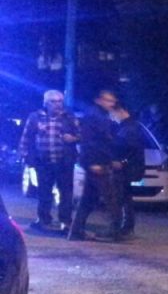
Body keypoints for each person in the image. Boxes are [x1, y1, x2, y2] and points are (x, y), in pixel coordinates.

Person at [17, 89, 79, 231]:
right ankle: (43, 219)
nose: (57, 104)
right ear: (45, 103)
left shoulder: (68, 117)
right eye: (53, 101)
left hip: (64, 161)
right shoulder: (35, 117)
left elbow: (81, 135)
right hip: (43, 161)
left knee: (66, 192)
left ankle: (66, 221)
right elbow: (26, 137)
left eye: (59, 101)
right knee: (44, 191)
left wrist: (73, 138)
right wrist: (25, 154)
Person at [67, 89, 123, 242]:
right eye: (108, 100)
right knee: (112, 199)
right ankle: (115, 231)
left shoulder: (101, 116)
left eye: (113, 101)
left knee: (88, 199)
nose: (111, 104)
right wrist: (93, 162)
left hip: (98, 162)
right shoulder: (95, 116)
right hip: (97, 163)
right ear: (99, 100)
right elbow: (91, 142)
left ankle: (76, 231)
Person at [111, 102, 147, 238]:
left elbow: (129, 150)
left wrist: (122, 162)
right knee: (126, 198)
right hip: (130, 167)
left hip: (125, 168)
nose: (112, 118)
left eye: (112, 114)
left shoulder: (129, 128)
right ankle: (127, 227)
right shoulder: (131, 126)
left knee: (120, 198)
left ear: (120, 111)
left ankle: (119, 228)